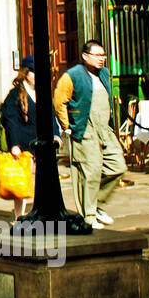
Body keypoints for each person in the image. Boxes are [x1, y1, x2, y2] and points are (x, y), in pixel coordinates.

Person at [54, 40, 127, 229]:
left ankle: (98, 204)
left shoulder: (104, 74)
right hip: (85, 129)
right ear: (85, 56)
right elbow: (59, 100)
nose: (101, 58)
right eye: (97, 55)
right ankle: (89, 215)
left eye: (103, 55)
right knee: (91, 172)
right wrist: (67, 126)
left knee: (118, 167)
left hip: (105, 129)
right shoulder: (73, 75)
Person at [0, 56, 61, 220]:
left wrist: (56, 134)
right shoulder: (15, 94)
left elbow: (51, 115)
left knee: (43, 182)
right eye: (33, 71)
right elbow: (10, 120)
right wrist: (15, 144)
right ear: (25, 73)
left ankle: (42, 212)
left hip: (42, 143)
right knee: (22, 182)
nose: (36, 75)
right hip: (24, 144)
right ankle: (19, 216)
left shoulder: (43, 92)